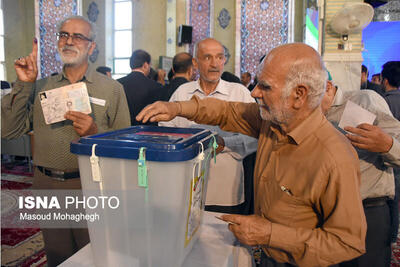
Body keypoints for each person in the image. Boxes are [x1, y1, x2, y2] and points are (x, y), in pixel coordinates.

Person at [136, 43, 367, 266]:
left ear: (299, 94)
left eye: (265, 87)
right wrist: (176, 108)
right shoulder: (273, 121)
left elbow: (348, 243)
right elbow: (226, 111)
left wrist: (270, 234)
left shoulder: (334, 157)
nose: (255, 92)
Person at [1, 16, 131, 266]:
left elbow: (124, 144)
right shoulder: (40, 87)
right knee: (58, 256)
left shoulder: (111, 89)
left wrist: (94, 134)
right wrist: (23, 85)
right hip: (47, 184)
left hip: (90, 185)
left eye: (78, 36)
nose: (69, 41)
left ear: (91, 47)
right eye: (63, 35)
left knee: (95, 254)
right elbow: (8, 130)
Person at [160, 38, 258, 215]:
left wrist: (225, 144)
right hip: (186, 187)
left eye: (219, 57)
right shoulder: (182, 93)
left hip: (226, 192)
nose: (215, 64)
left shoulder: (239, 93)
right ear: (195, 63)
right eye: (207, 58)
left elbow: (255, 138)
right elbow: (166, 134)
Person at [322, 74, 400, 267]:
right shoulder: (306, 115)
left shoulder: (360, 102)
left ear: (328, 87)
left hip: (366, 211)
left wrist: (387, 145)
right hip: (323, 214)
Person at [117, 49, 163, 125]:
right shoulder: (155, 86)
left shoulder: (117, 83)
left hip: (122, 129)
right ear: (145, 65)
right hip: (147, 131)